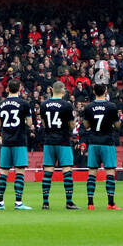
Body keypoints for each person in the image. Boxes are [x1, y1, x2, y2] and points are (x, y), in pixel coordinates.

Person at [38, 81, 79, 210]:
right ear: (63, 91)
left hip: (49, 140)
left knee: (48, 172)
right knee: (67, 170)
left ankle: (45, 202)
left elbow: (44, 123)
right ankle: (69, 201)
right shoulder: (67, 105)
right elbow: (72, 125)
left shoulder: (44, 104)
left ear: (51, 90)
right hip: (63, 141)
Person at [0, 80, 33, 210]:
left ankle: (0, 203)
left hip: (6, 141)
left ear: (7, 89)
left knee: (3, 172)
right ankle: (18, 203)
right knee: (19, 172)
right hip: (19, 141)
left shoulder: (1, 104)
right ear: (20, 88)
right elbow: (29, 123)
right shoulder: (24, 103)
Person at [83, 82, 121, 210]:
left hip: (93, 142)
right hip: (107, 142)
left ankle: (90, 203)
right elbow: (118, 125)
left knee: (92, 173)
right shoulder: (111, 106)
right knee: (110, 171)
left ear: (94, 92)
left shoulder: (88, 107)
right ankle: (110, 203)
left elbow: (86, 126)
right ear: (105, 91)